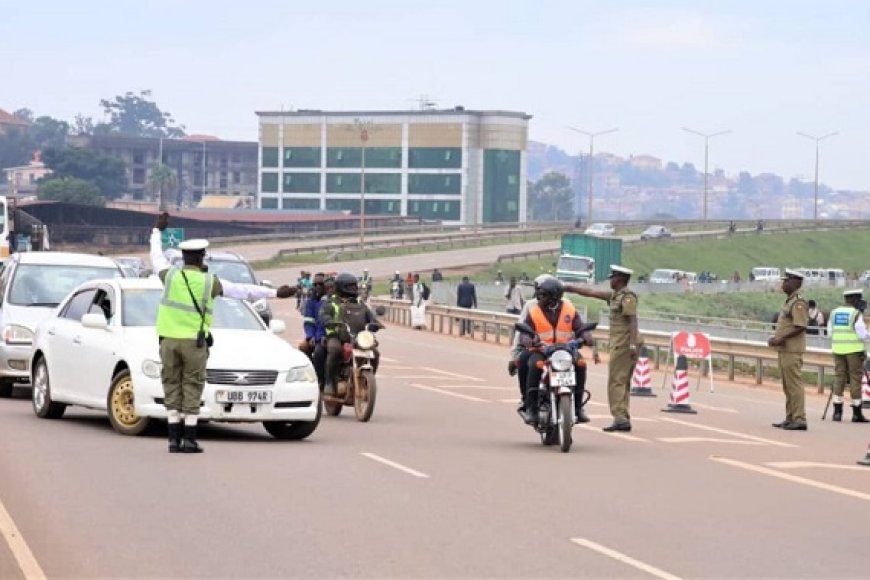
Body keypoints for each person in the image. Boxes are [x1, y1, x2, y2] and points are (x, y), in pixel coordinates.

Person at [150, 213, 296, 453]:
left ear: (184, 258)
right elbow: (242, 291)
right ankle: (190, 439)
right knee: (192, 386)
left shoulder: (170, 276)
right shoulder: (210, 282)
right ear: (200, 258)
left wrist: (157, 231)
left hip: (167, 341)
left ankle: (173, 440)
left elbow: (156, 257)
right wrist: (275, 293)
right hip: (193, 344)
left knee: (171, 384)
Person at [569, 265, 640, 432]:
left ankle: (620, 417)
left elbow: (633, 320)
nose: (610, 281)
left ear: (620, 279)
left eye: (613, 277)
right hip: (622, 343)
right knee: (622, 381)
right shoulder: (615, 296)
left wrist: (631, 344)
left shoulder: (627, 297)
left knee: (616, 381)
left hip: (624, 343)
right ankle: (623, 416)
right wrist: (568, 287)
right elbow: (591, 293)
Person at [516, 278, 596, 425]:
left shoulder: (569, 310)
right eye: (539, 295)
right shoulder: (534, 312)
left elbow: (580, 327)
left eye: (544, 295)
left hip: (565, 350)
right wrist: (528, 340)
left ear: (554, 297)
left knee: (581, 364)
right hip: (542, 350)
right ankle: (531, 408)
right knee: (534, 365)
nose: (539, 298)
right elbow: (525, 331)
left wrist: (586, 337)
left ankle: (578, 407)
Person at [319, 272, 382, 395]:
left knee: (375, 353)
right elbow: (323, 314)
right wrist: (328, 321)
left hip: (358, 336)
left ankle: (367, 380)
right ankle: (329, 382)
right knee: (334, 349)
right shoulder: (331, 301)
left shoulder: (359, 302)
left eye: (355, 286)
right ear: (342, 286)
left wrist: (375, 323)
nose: (354, 288)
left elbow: (370, 316)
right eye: (351, 286)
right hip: (337, 335)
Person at [768, 269, 809, 431]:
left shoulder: (798, 303)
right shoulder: (789, 301)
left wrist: (781, 338)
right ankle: (790, 417)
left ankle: (799, 418)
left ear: (795, 283)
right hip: (784, 349)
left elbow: (800, 326)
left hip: (792, 349)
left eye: (787, 281)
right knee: (787, 385)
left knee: (794, 385)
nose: (783, 284)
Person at [827, 289, 869, 423]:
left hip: (838, 350)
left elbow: (829, 333)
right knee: (855, 380)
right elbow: (862, 334)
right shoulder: (856, 314)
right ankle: (857, 413)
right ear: (855, 300)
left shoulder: (834, 313)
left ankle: (837, 412)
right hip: (854, 352)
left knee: (839, 378)